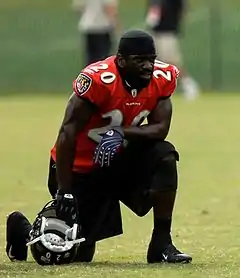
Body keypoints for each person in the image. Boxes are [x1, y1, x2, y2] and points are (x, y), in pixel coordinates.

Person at [6, 29, 192, 264]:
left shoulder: (161, 77)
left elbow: (159, 129)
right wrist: (65, 189)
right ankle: (22, 231)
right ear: (121, 60)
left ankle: (161, 244)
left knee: (164, 154)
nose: (148, 66)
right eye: (140, 60)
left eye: (151, 59)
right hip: (81, 168)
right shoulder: (98, 81)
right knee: (73, 254)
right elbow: (67, 133)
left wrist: (120, 132)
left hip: (118, 161)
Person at [146, 0, 200, 100]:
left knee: (172, 62)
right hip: (155, 32)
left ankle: (189, 84)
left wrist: (175, 23)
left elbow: (181, 10)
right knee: (157, 62)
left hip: (167, 32)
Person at [72, 0, 119, 66]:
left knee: (91, 58)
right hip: (102, 27)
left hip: (88, 27)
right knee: (103, 59)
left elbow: (79, 7)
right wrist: (116, 25)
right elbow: (109, 8)